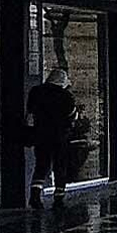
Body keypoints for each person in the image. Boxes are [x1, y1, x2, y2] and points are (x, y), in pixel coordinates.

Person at [26, 68, 77, 206]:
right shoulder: (66, 96)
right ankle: (59, 197)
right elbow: (72, 115)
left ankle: (35, 196)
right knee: (60, 166)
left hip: (40, 135)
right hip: (59, 136)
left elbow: (30, 114)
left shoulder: (36, 92)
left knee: (41, 165)